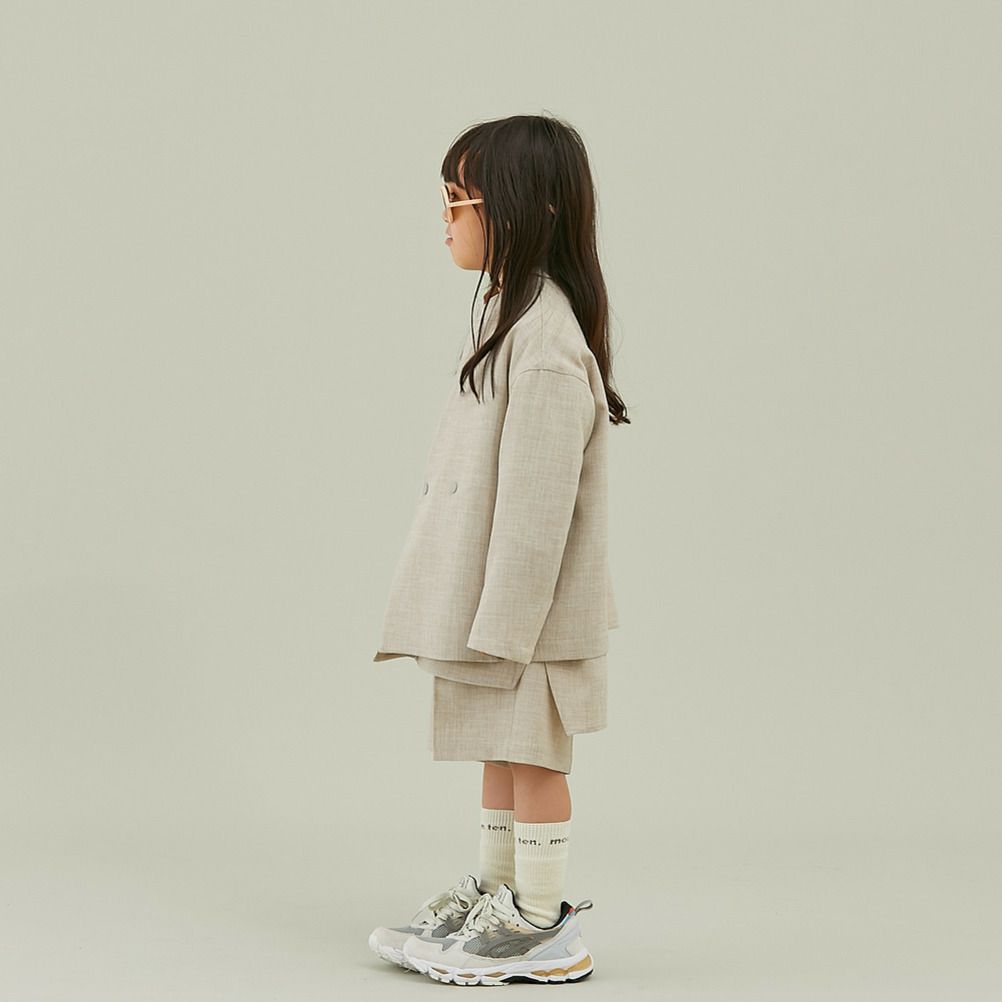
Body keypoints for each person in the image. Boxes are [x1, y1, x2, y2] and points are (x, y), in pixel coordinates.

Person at [367, 113, 629, 986]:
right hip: (498, 605)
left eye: (459, 199)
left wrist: (506, 627)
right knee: (499, 743)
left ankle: (543, 923)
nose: (444, 218)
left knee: (534, 754)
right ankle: (498, 895)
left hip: (529, 613)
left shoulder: (545, 341)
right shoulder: (507, 318)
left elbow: (537, 509)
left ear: (520, 208)